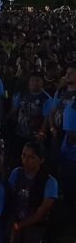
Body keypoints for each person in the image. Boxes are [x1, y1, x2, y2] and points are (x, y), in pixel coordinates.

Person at [7, 141, 58, 243]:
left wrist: (17, 226)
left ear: (41, 160)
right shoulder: (16, 173)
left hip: (36, 226)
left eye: (32, 157)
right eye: (24, 155)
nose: (26, 160)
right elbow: (8, 198)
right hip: (14, 219)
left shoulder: (50, 182)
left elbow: (40, 214)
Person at [48, 64, 76, 206]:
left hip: (73, 137)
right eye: (67, 72)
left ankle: (70, 196)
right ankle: (60, 191)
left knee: (71, 166)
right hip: (58, 134)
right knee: (58, 163)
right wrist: (52, 127)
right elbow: (52, 111)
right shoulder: (61, 92)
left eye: (71, 73)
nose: (67, 75)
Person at [9, 73, 52, 157]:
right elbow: (14, 108)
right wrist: (3, 119)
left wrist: (42, 133)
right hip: (20, 132)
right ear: (28, 82)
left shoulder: (46, 99)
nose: (34, 83)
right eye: (32, 80)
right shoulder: (22, 94)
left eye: (38, 80)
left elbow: (47, 118)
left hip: (35, 135)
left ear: (42, 83)